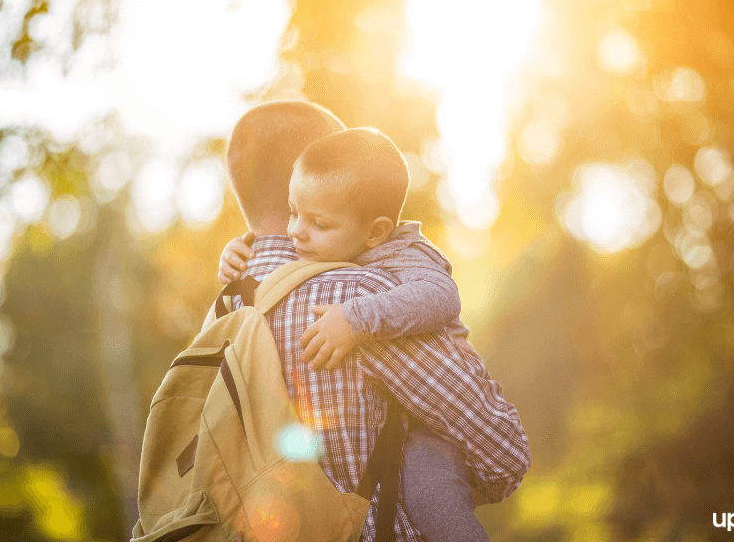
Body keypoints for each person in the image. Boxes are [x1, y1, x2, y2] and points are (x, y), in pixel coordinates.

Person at [221, 101, 531, 541]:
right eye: (295, 213)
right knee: (429, 494)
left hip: (424, 434)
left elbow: (442, 295)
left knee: (434, 495)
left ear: (373, 228)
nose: (297, 232)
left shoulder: (229, 307)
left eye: (317, 220)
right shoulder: (344, 277)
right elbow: (503, 456)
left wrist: (355, 319)